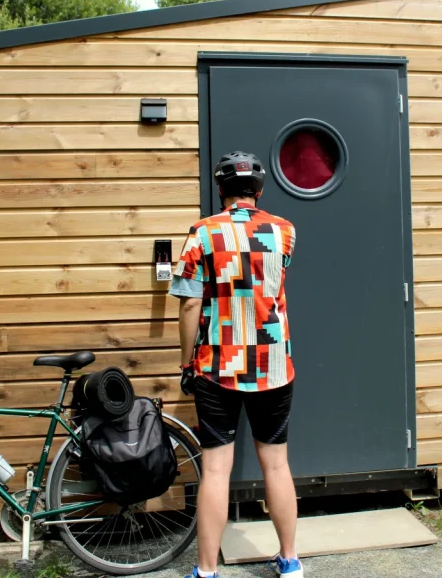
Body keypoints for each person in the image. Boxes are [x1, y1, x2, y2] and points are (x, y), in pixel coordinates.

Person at [170, 151, 303, 578]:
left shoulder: (201, 234)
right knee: (277, 464)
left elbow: (191, 302)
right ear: (259, 191)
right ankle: (290, 561)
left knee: (215, 469)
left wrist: (186, 361)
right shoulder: (285, 231)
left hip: (217, 366)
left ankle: (207, 572)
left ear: (220, 190)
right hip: (273, 365)